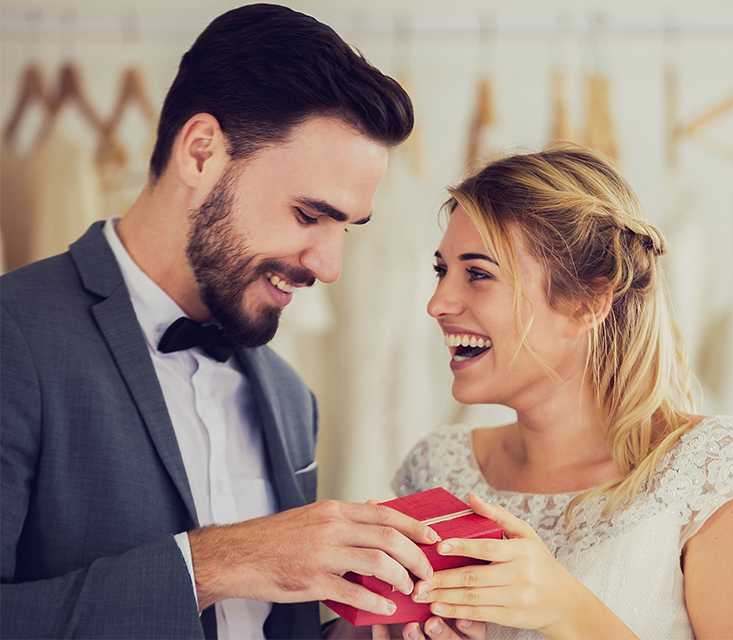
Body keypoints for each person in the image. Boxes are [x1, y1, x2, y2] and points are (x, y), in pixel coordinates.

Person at [0, 5, 468, 638]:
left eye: (346, 229)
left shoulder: (289, 397)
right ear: (201, 154)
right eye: (309, 216)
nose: (329, 266)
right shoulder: (15, 336)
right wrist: (217, 563)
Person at [387, 145, 733, 639]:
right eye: (441, 271)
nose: (438, 303)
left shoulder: (711, 470)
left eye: (478, 273)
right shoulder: (436, 468)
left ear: (586, 302)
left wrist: (566, 610)